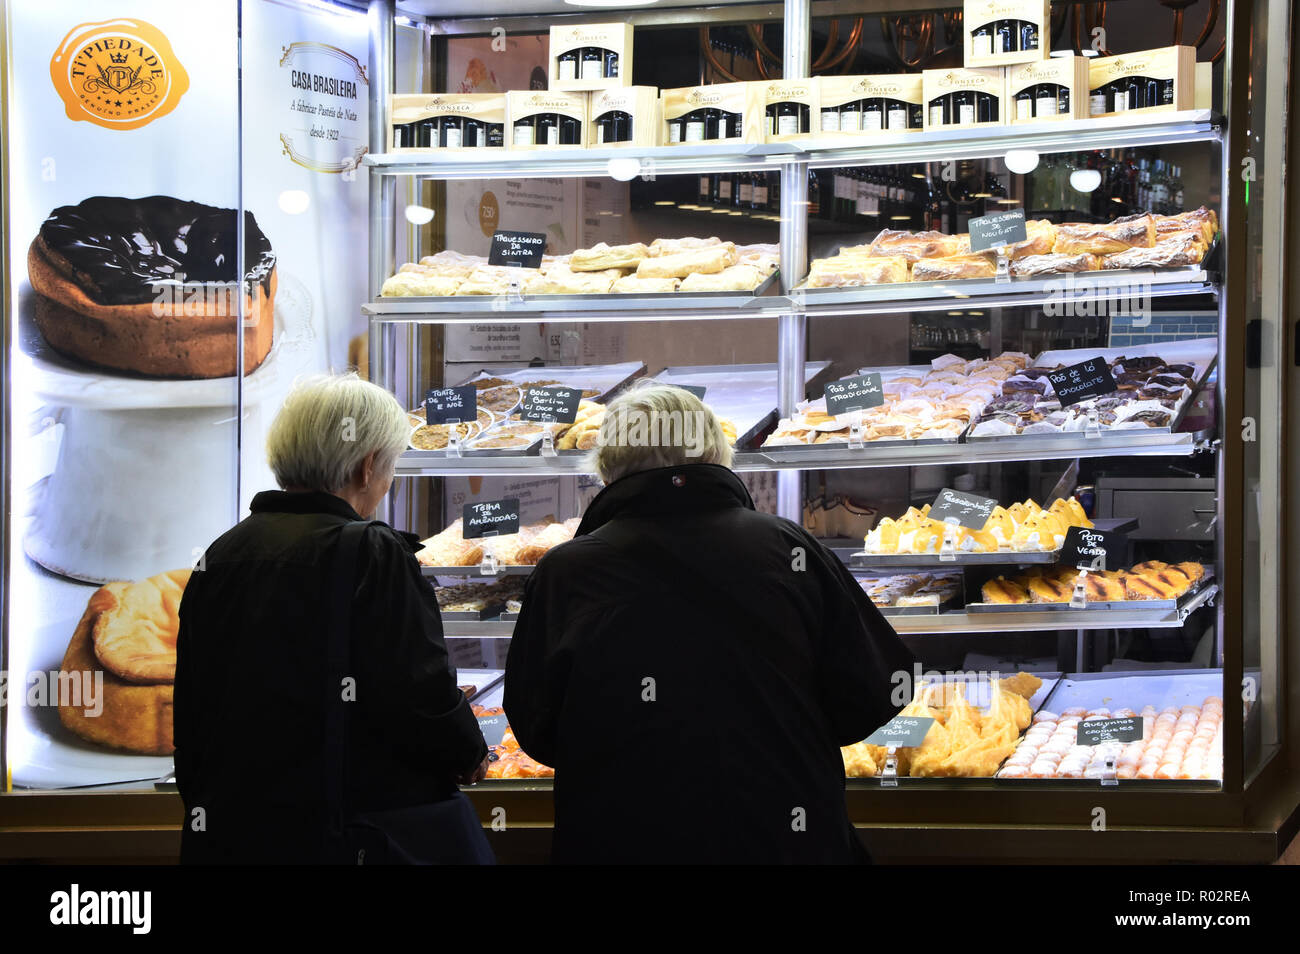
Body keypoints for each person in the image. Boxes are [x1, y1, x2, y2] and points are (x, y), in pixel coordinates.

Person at [504, 383, 916, 864]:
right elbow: (882, 688)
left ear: (608, 462)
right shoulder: (787, 547)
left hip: (621, 837)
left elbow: (535, 727)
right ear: (716, 451)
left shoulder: (567, 572)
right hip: (782, 835)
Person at [174, 373, 491, 864]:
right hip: (349, 830)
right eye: (391, 466)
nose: (387, 484)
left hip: (236, 832)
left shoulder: (223, 551)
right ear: (367, 468)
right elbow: (418, 686)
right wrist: (469, 752)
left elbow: (193, 703)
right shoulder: (371, 549)